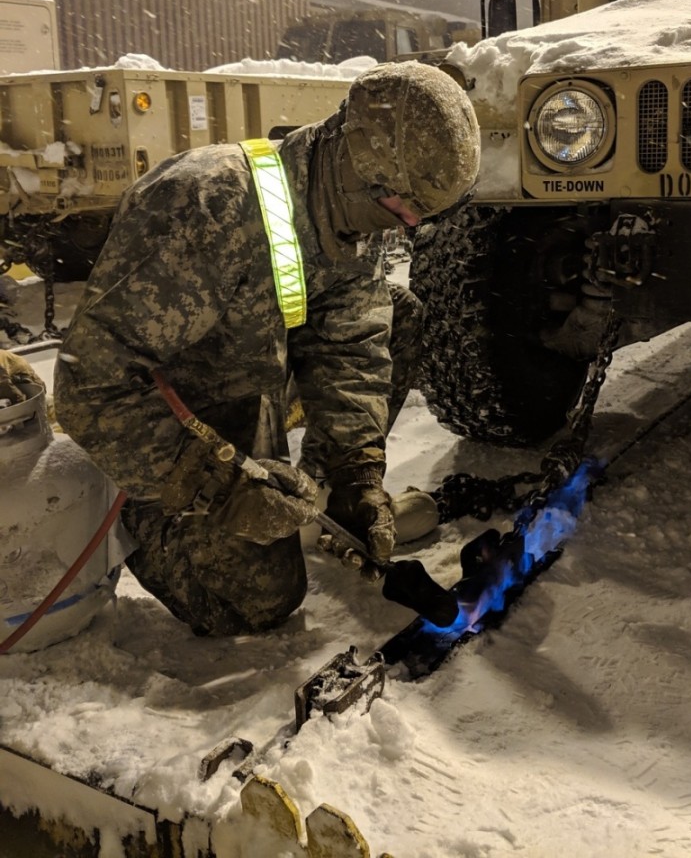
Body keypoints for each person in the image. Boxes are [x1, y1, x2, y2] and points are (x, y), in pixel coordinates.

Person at [53, 62, 480, 637]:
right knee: (257, 602)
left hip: (252, 375)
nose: (404, 229)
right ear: (359, 167)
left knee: (397, 315)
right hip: (168, 415)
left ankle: (315, 501)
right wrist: (218, 486)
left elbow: (351, 345)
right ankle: (143, 512)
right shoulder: (206, 205)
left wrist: (356, 472)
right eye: (402, 211)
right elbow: (90, 385)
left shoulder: (350, 210)